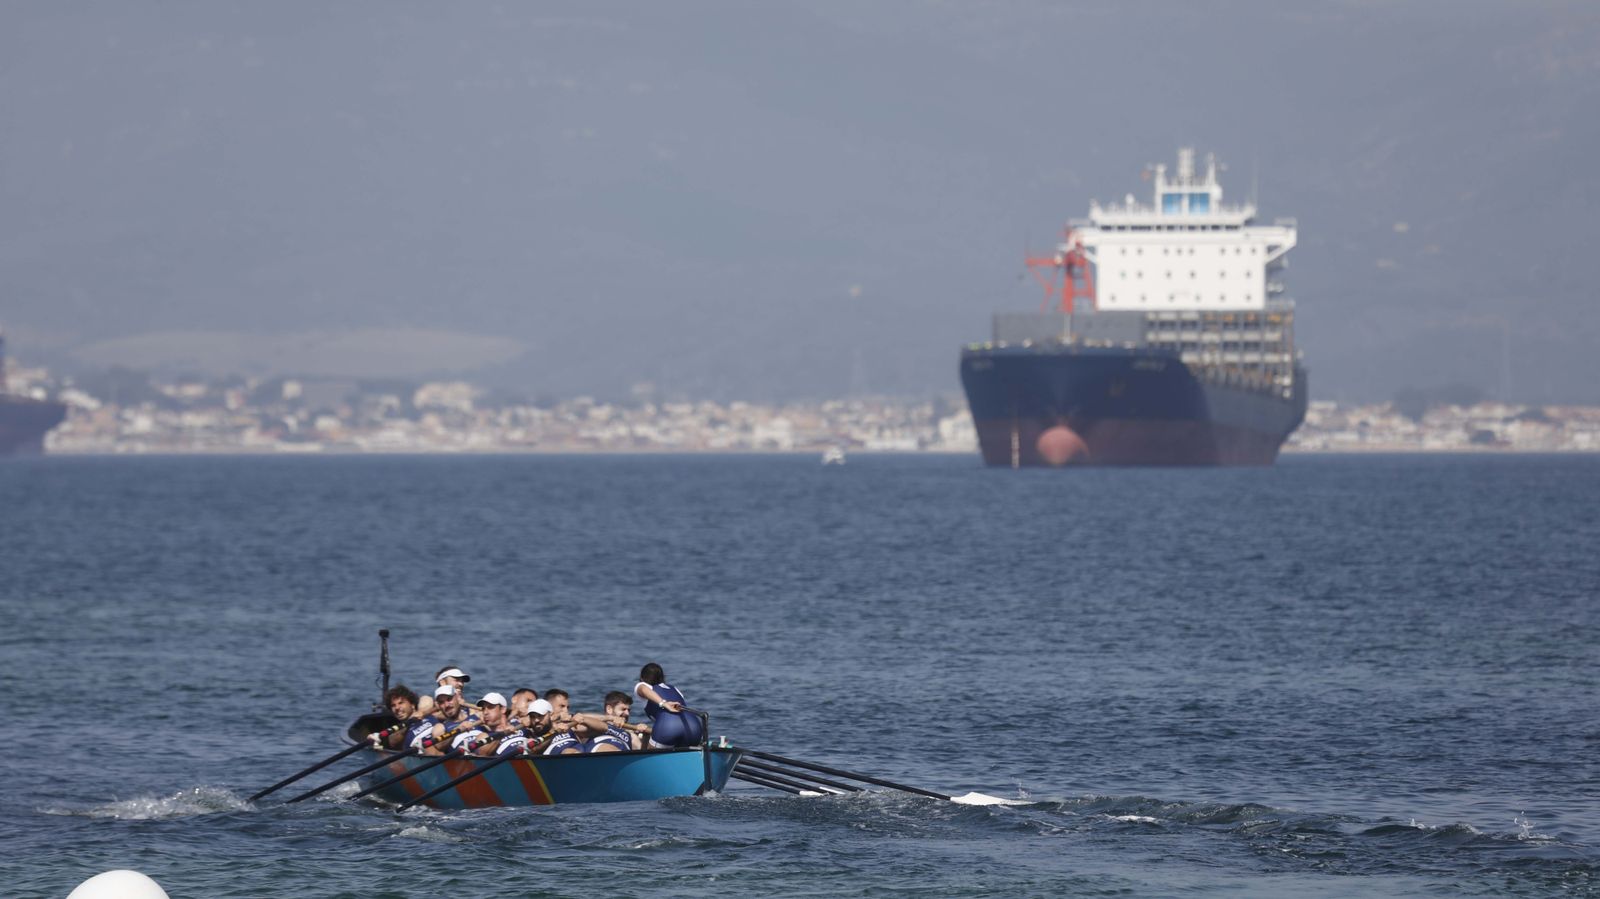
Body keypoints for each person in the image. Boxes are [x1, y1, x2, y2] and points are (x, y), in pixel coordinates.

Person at [634, 662, 703, 748]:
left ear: (642, 677)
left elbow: (643, 689)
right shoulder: (674, 688)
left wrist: (663, 703)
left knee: (650, 755)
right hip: (694, 727)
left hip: (669, 727)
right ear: (663, 677)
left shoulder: (642, 685)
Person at [572, 691, 648, 753]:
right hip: (601, 752)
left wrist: (645, 736)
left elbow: (642, 755)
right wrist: (610, 718)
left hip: (623, 756)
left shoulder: (631, 734)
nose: (627, 713)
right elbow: (578, 718)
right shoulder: (596, 726)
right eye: (623, 709)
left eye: (628, 710)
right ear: (609, 709)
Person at [423, 684, 481, 755]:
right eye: (441, 702)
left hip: (486, 753)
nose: (446, 705)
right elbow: (439, 745)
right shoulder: (440, 727)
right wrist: (458, 729)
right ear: (439, 706)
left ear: (457, 697)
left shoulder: (475, 714)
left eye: (449, 699)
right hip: (463, 760)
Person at [381, 684, 426, 750]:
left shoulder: (427, 714)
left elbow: (427, 699)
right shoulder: (399, 732)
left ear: (412, 704)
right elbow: (392, 742)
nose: (397, 708)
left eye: (401, 703)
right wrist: (410, 722)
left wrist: (424, 713)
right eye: (393, 705)